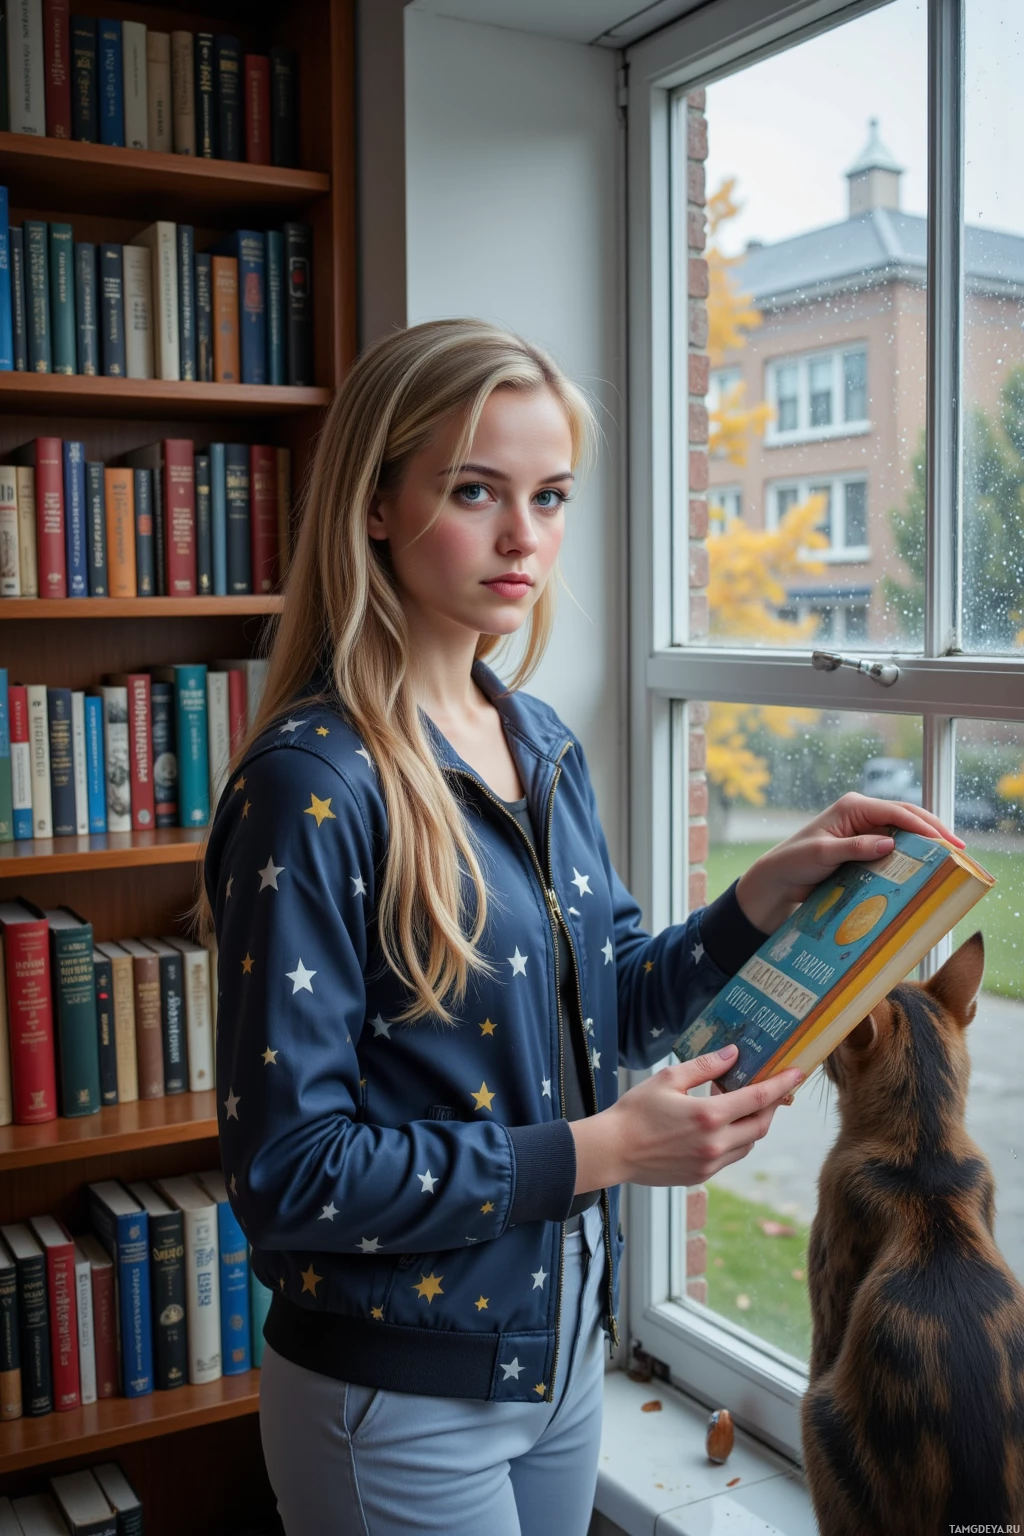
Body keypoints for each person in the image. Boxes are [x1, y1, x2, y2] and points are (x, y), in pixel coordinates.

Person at [192, 319, 962, 1536]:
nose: (524, 538)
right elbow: (291, 1174)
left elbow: (612, 993)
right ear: (375, 505)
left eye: (548, 496)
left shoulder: (536, 741)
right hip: (395, 1390)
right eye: (474, 492)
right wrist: (600, 1152)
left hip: (556, 1352)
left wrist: (762, 898)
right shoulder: (312, 789)